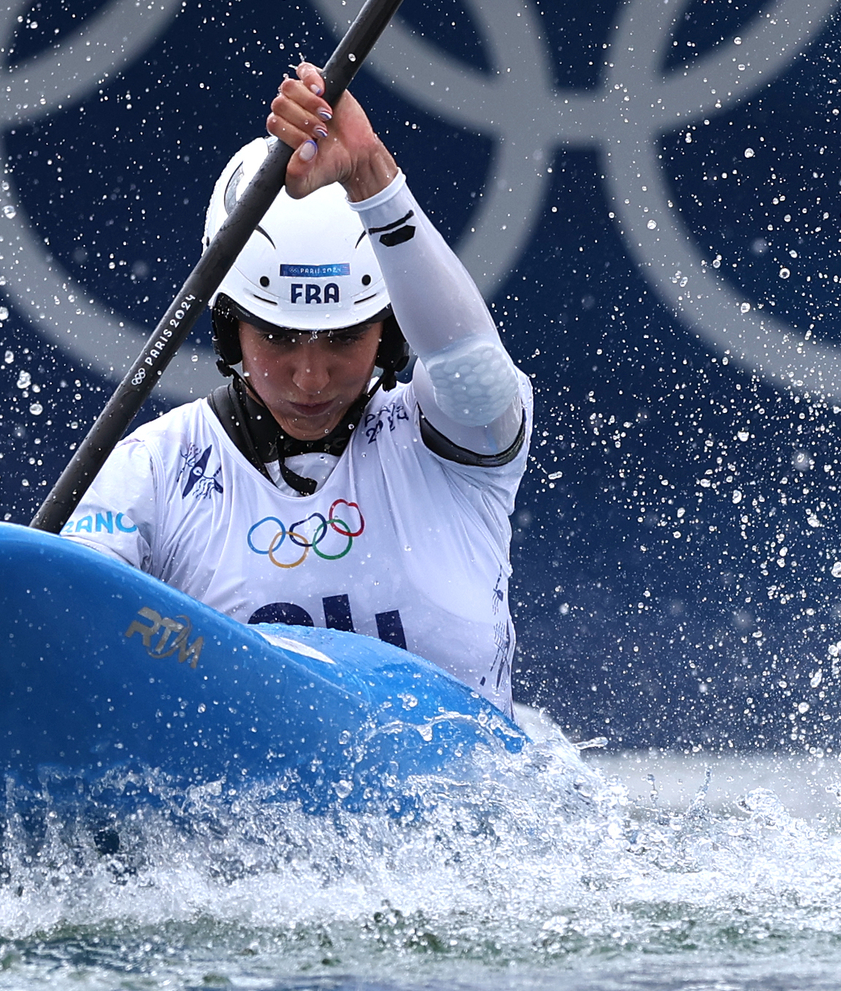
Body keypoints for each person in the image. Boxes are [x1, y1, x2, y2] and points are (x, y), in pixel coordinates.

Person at [67, 63, 530, 709]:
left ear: (389, 333)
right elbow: (68, 622)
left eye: (342, 338)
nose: (311, 377)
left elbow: (473, 367)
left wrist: (371, 176)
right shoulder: (155, 469)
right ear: (230, 330)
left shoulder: (449, 444)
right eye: (280, 337)